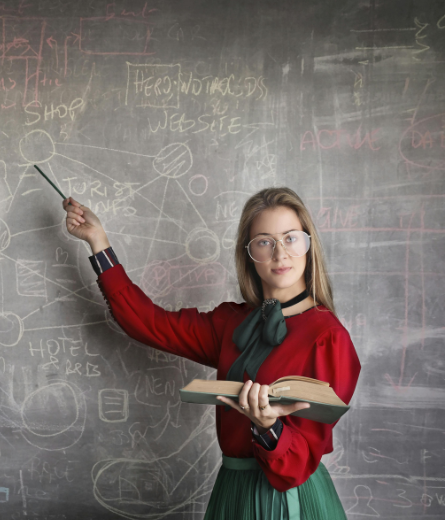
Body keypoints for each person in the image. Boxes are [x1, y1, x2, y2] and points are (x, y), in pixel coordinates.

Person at [62, 187, 360, 519]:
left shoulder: (328, 337)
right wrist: (99, 242)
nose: (280, 254)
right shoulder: (230, 322)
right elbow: (147, 323)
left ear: (308, 245)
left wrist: (267, 427)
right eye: (264, 241)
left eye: (291, 238)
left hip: (288, 500)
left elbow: (297, 465)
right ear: (248, 254)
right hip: (230, 491)